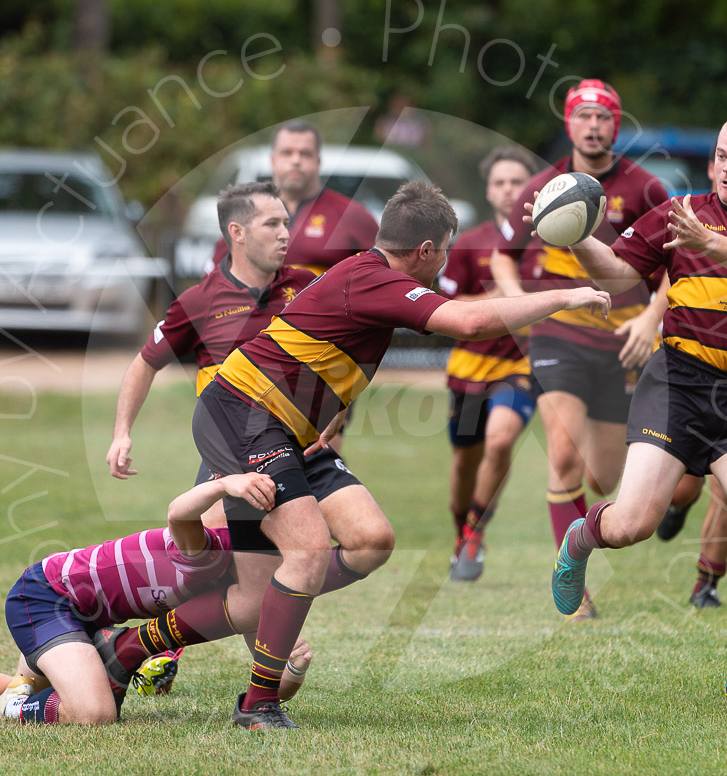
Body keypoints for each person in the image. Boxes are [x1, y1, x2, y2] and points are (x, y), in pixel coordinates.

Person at [98, 181, 610, 729]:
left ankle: (129, 650)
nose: (443, 260)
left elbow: (323, 343)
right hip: (243, 419)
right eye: (444, 249)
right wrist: (566, 296)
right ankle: (258, 704)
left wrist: (332, 410)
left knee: (366, 543)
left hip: (290, 431)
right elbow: (468, 322)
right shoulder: (374, 278)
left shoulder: (365, 276)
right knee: (308, 551)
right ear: (426, 250)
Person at [550, 113, 727, 706]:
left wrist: (709, 243)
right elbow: (622, 274)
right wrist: (575, 235)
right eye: (721, 155)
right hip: (677, 383)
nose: (726, 166)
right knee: (633, 525)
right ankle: (582, 537)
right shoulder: (679, 211)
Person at [104, 181, 395, 678]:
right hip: (235, 455)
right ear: (236, 232)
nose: (288, 233)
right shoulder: (198, 300)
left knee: (372, 540)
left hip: (302, 446)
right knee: (209, 578)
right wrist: (121, 433)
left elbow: (351, 345)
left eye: (288, 222)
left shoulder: (308, 283)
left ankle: (279, 593)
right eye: (273, 224)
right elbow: (144, 363)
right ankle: (142, 643)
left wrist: (340, 409)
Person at [0, 473, 315, 723]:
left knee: (23, 684)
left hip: (83, 617)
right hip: (45, 597)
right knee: (94, 713)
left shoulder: (245, 589)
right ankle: (14, 715)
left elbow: (266, 682)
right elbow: (178, 513)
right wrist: (224, 483)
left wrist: (291, 669)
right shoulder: (209, 552)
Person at [489, 79, 670, 619]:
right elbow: (502, 255)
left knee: (603, 477)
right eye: (583, 116)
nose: (593, 126)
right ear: (569, 124)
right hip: (556, 336)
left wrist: (651, 322)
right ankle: (575, 588)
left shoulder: (645, 189)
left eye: (603, 117)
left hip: (621, 342)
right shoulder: (543, 186)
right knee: (562, 455)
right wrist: (520, 306)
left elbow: (672, 267)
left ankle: (579, 537)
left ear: (616, 125)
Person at [438, 146, 540, 580]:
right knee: (465, 460)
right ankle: (461, 534)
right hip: (469, 370)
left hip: (522, 368)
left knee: (500, 442)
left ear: (533, 188)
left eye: (517, 181)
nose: (508, 190)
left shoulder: (552, 240)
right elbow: (441, 305)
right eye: (499, 182)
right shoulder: (470, 242)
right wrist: (496, 300)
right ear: (488, 189)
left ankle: (475, 535)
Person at [212, 120, 380, 277]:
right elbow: (214, 283)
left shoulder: (352, 215)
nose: (295, 160)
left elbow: (384, 278)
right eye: (287, 153)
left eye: (305, 154)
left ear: (318, 161)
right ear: (273, 160)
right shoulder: (246, 214)